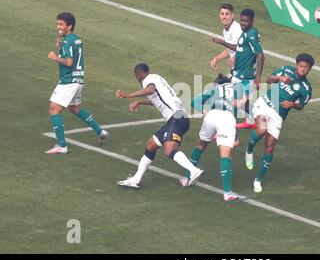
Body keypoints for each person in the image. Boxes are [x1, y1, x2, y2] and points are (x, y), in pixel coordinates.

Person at [115, 63, 204, 189]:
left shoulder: (148, 80)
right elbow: (157, 100)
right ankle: (135, 179)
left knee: (169, 150)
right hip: (178, 118)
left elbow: (150, 90)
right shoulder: (157, 78)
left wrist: (129, 95)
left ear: (138, 74)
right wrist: (140, 102)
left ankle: (194, 171)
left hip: (176, 118)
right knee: (151, 145)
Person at [245, 53, 314, 193]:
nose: (302, 69)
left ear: (309, 70)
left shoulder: (306, 88)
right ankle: (249, 150)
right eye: (300, 66)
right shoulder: (286, 70)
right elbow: (268, 79)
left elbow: (301, 105)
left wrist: (293, 104)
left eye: (305, 68)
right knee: (261, 129)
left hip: (278, 115)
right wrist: (279, 78)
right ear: (296, 65)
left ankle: (258, 180)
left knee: (269, 148)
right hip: (265, 104)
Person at [180, 74, 250, 201]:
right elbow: (247, 83)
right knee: (226, 155)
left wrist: (205, 111)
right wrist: (244, 99)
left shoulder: (213, 89)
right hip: (226, 118)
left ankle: (186, 178)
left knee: (200, 145)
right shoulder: (236, 85)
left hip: (211, 116)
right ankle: (227, 193)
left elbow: (193, 102)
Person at [46, 12, 108, 154]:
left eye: (61, 24)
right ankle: (100, 132)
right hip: (78, 79)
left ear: (70, 26)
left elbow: (69, 62)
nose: (58, 27)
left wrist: (55, 57)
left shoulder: (67, 41)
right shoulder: (76, 39)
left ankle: (62, 145)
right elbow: (72, 52)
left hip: (68, 81)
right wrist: (62, 43)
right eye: (58, 24)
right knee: (75, 108)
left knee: (54, 110)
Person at [210, 8, 265, 129]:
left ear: (252, 21)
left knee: (229, 98)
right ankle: (252, 121)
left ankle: (223, 128)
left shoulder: (251, 34)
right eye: (242, 20)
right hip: (238, 73)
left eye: (246, 21)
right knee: (240, 101)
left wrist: (257, 78)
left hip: (245, 75)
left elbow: (261, 56)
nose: (243, 23)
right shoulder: (245, 33)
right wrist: (221, 42)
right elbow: (238, 47)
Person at [209, 3, 242, 71]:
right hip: (236, 70)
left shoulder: (237, 30)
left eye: (227, 14)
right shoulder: (225, 30)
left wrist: (235, 57)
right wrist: (217, 58)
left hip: (244, 70)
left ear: (232, 15)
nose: (224, 17)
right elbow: (229, 49)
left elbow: (246, 48)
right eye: (222, 14)